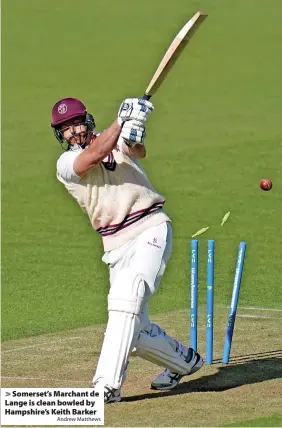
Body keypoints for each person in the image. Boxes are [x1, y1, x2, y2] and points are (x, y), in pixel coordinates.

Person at [51, 96, 203, 403]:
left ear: (88, 120)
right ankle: (184, 362)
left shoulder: (114, 140)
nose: (73, 131)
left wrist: (134, 128)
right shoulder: (65, 164)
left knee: (125, 302)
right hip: (115, 244)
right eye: (65, 128)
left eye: (76, 123)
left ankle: (106, 386)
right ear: (59, 134)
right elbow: (92, 157)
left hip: (150, 227)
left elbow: (137, 150)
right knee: (132, 330)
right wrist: (121, 121)